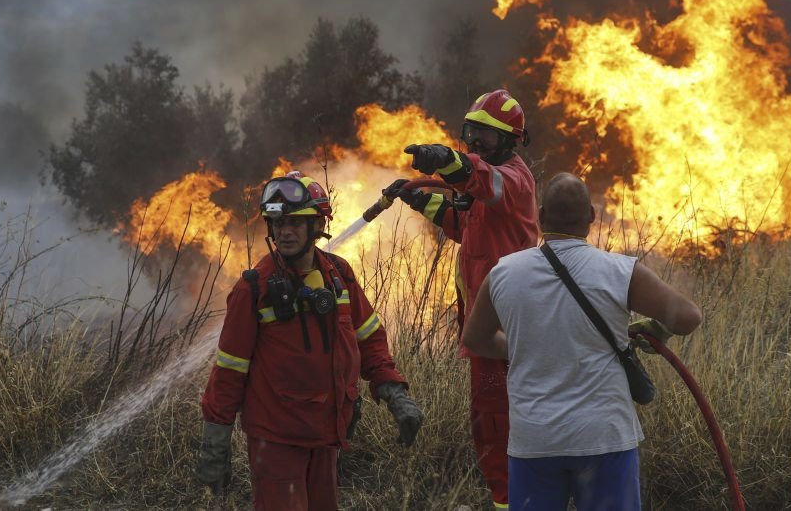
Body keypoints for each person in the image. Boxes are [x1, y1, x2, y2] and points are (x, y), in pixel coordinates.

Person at [461, 172, 702, 511]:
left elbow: (475, 339)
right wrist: (659, 329)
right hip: (604, 439)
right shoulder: (619, 271)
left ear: (541, 216)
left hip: (535, 441)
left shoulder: (504, 272)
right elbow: (687, 317)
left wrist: (526, 347)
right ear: (591, 216)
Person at [196, 170, 424, 511]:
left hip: (328, 436)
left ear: (317, 226)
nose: (284, 231)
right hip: (276, 441)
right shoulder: (254, 289)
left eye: (295, 223)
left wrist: (394, 393)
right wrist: (215, 446)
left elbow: (370, 340)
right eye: (277, 223)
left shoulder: (340, 276)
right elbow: (229, 372)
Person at [384, 89, 538, 510]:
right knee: (489, 423)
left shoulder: (513, 179)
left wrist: (448, 161)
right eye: (472, 132)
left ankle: (512, 501)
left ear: (511, 140)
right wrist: (424, 202)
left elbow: (482, 181)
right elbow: (466, 225)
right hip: (487, 326)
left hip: (506, 329)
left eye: (486, 136)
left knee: (498, 423)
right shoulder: (485, 181)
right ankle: (509, 498)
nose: (476, 142)